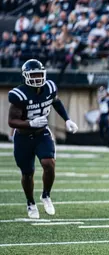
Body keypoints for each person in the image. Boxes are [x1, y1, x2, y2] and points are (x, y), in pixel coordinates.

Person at [8, 59, 78, 218]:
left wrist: (67, 119)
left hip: (42, 134)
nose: (38, 78)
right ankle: (30, 203)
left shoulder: (50, 88)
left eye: (40, 74)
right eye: (34, 75)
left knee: (49, 163)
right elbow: (11, 121)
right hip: (23, 137)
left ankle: (46, 195)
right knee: (27, 173)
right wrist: (29, 123)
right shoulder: (19, 94)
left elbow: (56, 102)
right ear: (25, 76)